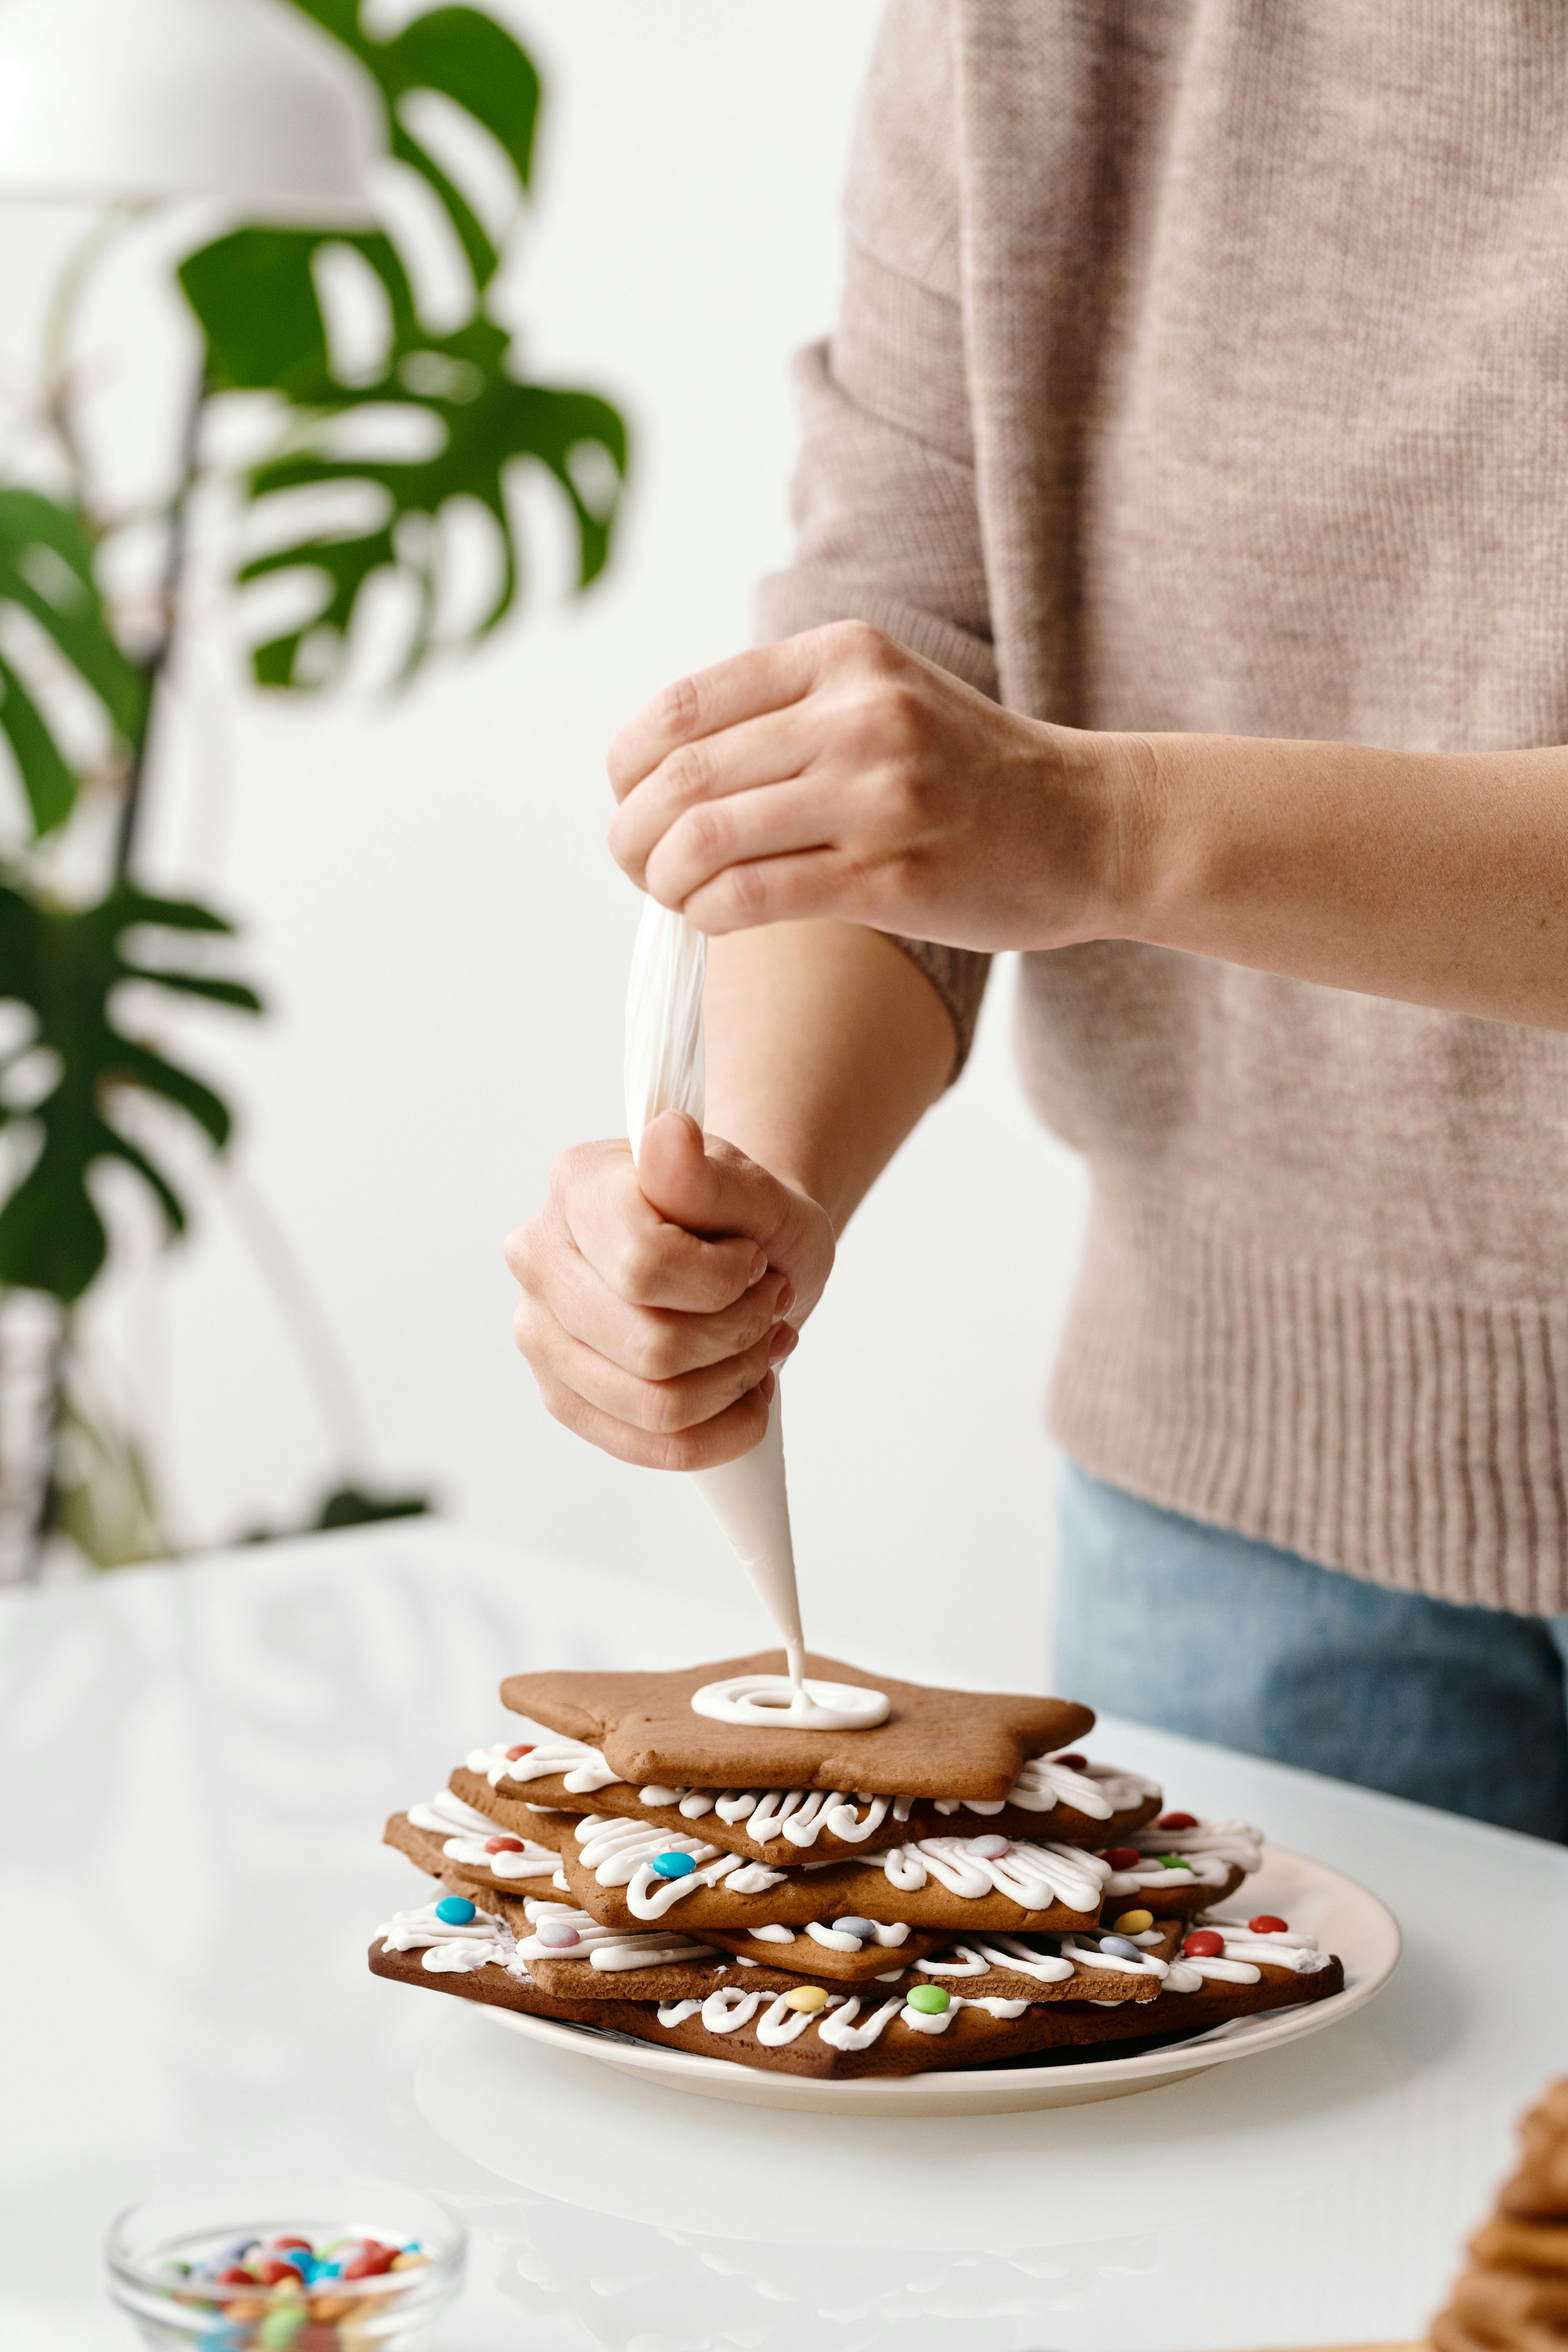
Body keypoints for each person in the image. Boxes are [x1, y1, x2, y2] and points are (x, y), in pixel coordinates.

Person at [506, 0, 1568, 1841]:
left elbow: (1010, 800)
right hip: (1237, 1506)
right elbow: (908, 660)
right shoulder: (1025, 34)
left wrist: (1092, 824)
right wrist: (751, 1211)